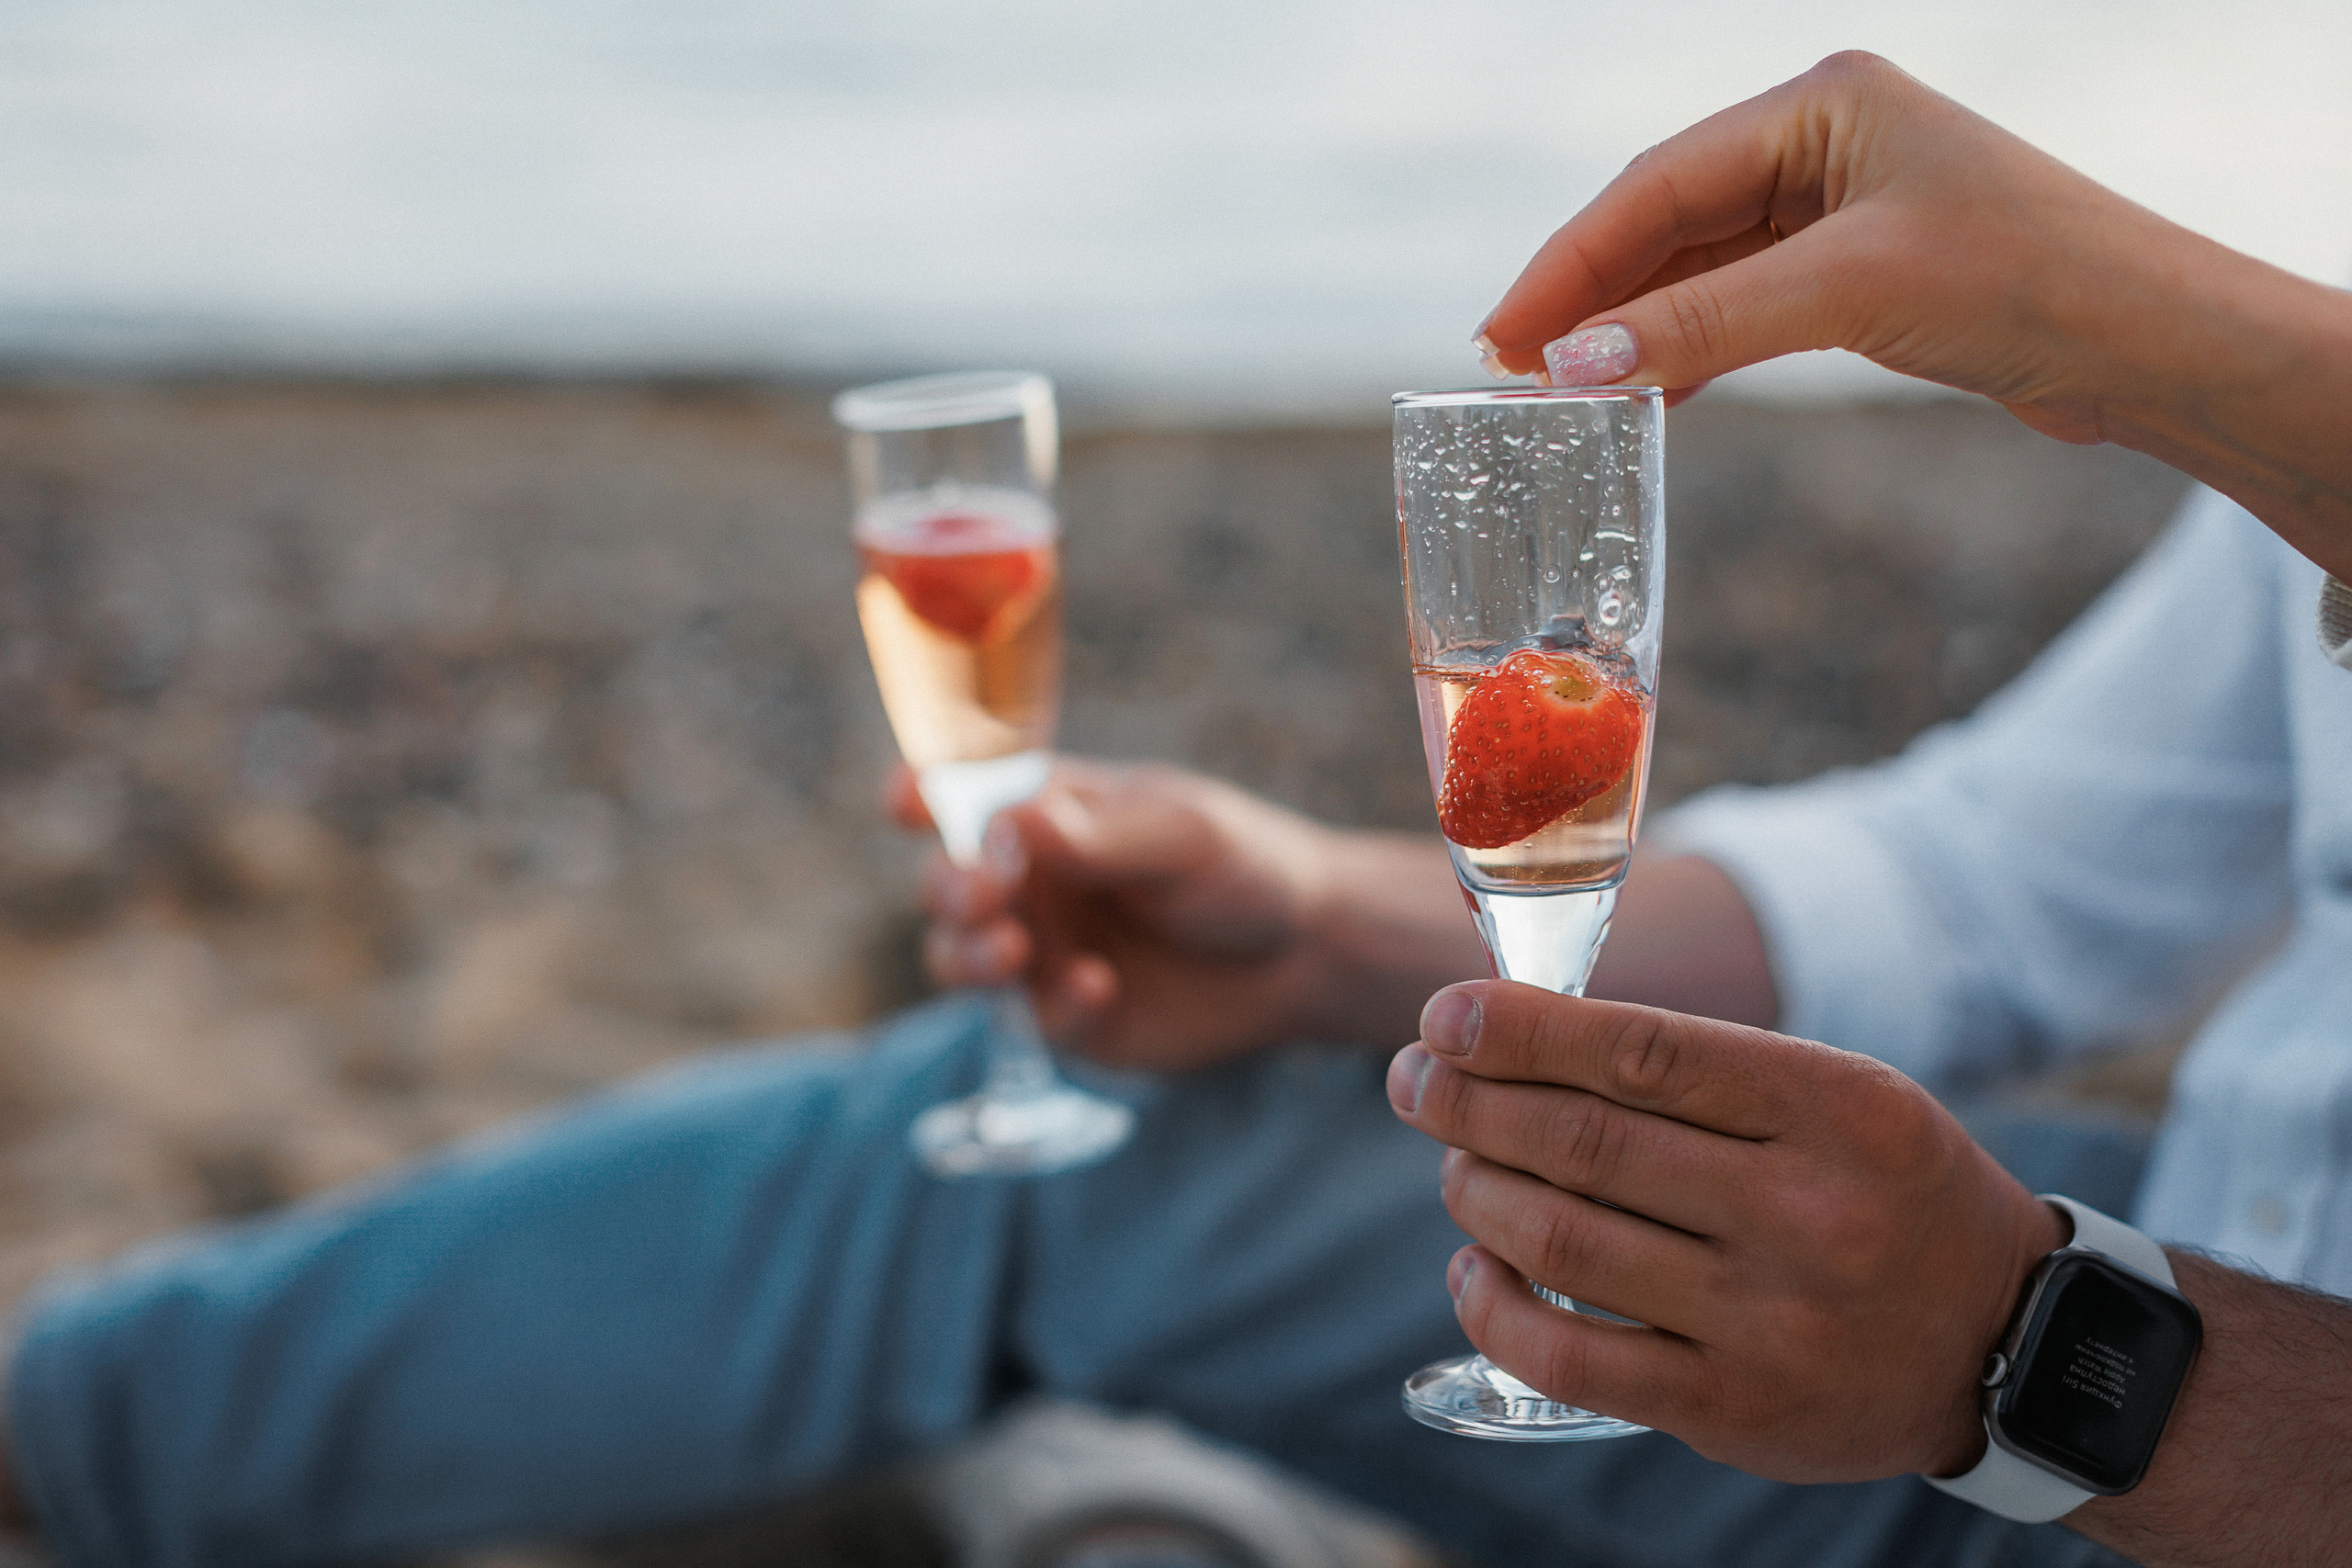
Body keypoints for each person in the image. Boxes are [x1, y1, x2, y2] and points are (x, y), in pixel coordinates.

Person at [2, 51, 2346, 1568]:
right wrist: (1323, 916)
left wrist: (2053, 1359)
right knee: (1031, 1125)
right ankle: (62, 1441)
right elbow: (1995, 877)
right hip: (2133, 1246)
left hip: (2174, 1429)